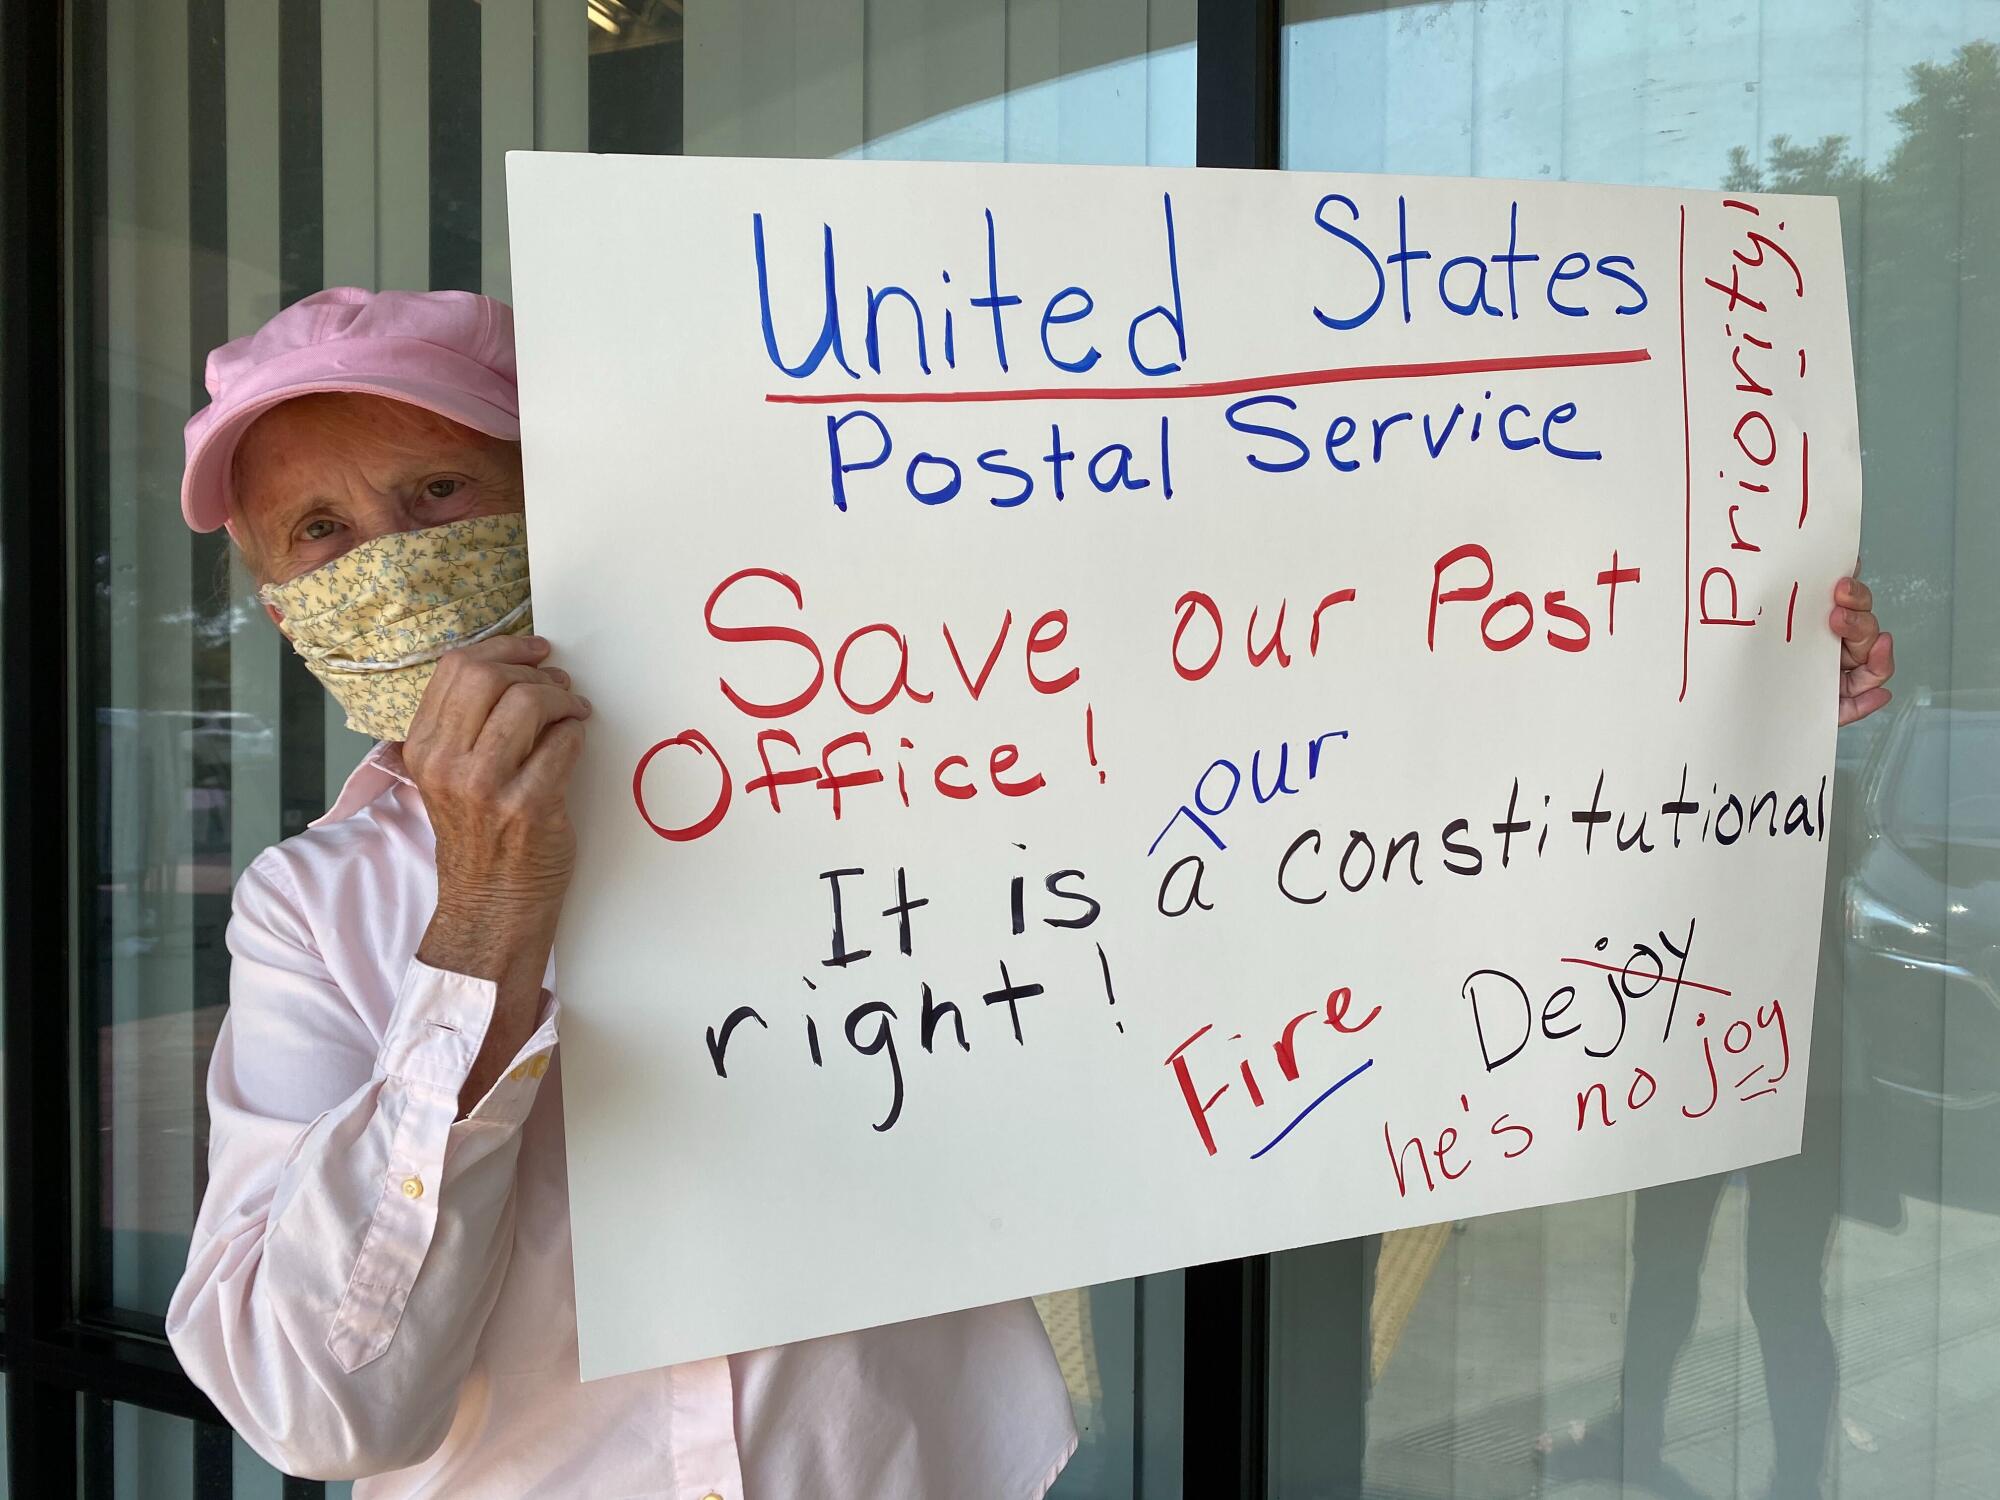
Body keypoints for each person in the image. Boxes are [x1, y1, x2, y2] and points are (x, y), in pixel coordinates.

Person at [163, 288, 1079, 1498]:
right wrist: (485, 916)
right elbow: (321, 1411)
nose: (389, 557)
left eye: (438, 490)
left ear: (561, 500)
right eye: (319, 527)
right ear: (284, 609)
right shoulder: (308, 908)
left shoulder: (881, 764)